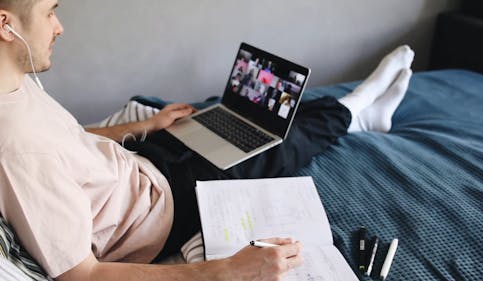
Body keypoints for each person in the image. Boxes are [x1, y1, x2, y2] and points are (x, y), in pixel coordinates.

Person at [0, 1, 414, 281]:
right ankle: (355, 110)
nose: (59, 27)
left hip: (139, 166)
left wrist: (150, 127)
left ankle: (348, 112)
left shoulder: (16, 82)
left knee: (232, 115)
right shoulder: (17, 146)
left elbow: (69, 141)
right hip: (163, 211)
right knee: (278, 147)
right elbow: (84, 274)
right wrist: (226, 270)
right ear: (6, 25)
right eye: (49, 11)